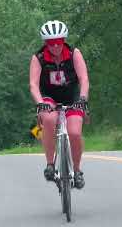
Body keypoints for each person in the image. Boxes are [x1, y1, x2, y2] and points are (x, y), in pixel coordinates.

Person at [29, 20, 90, 189]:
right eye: (51, 43)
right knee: (48, 120)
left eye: (59, 42)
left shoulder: (73, 53)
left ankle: (77, 171)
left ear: (63, 40)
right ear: (45, 43)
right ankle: (50, 164)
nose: (55, 46)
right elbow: (33, 84)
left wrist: (83, 99)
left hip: (72, 98)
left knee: (75, 132)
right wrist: (40, 103)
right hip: (49, 98)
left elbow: (84, 79)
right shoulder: (39, 57)